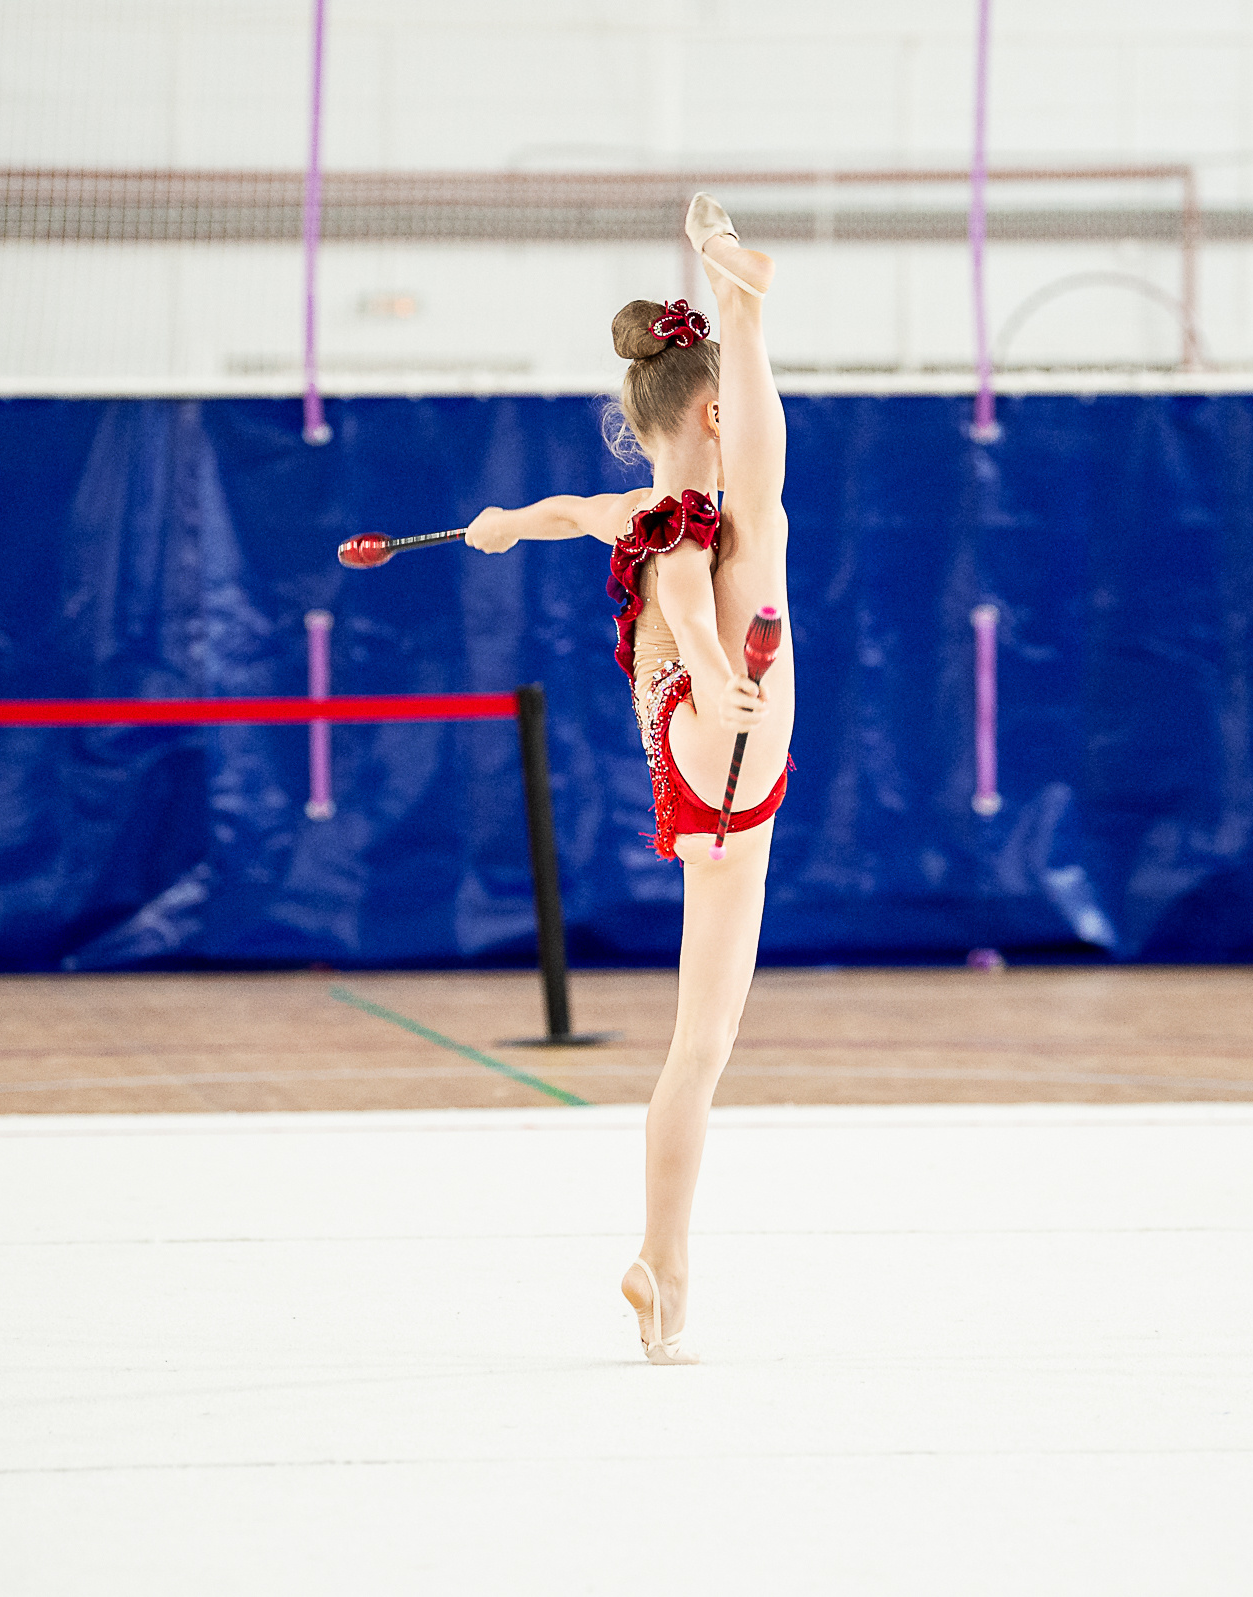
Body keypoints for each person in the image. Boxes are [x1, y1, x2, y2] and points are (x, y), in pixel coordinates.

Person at [464, 195, 787, 1364]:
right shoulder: (698, 514)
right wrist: (712, 669)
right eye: (737, 396)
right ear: (710, 408)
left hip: (700, 782)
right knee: (749, 517)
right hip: (719, 723)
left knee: (698, 1048)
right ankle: (741, 303)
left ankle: (665, 1263)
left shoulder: (619, 506)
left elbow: (560, 510)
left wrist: (502, 521)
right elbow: (687, 580)